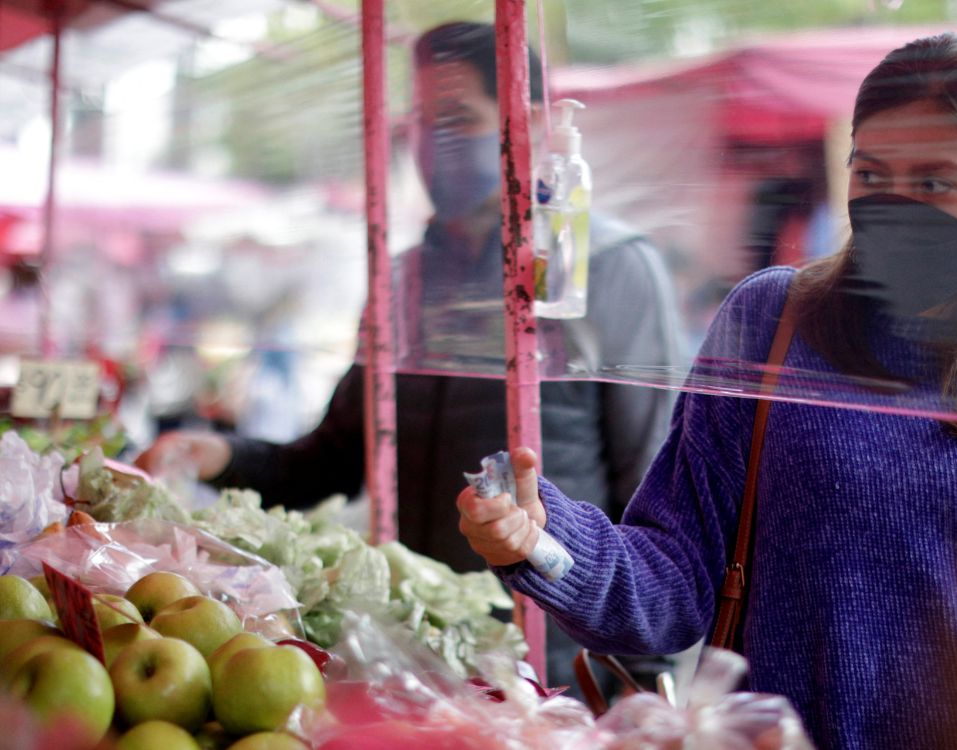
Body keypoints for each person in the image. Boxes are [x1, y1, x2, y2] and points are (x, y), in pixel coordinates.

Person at [456, 32, 957, 747]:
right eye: (872, 176)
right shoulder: (772, 323)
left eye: (936, 182)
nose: (895, 205)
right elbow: (674, 580)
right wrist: (541, 540)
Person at [137, 21, 682, 693]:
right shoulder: (402, 280)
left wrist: (646, 687)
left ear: (533, 126)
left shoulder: (608, 268)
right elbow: (337, 452)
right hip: (412, 665)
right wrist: (218, 455)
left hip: (550, 676)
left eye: (460, 118)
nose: (437, 144)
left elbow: (653, 503)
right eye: (425, 121)